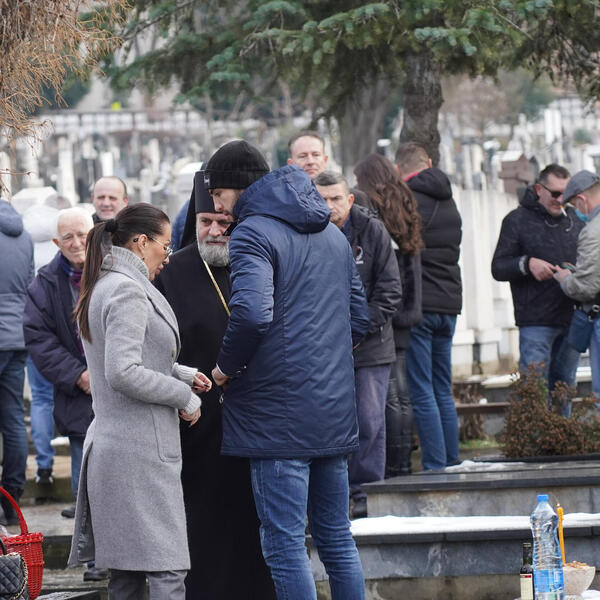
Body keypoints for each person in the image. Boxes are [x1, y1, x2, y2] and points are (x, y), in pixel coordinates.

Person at [206, 140, 369, 600]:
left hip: (275, 414)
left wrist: (223, 369)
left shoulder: (251, 233)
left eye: (218, 193)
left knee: (284, 544)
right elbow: (359, 318)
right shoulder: (332, 234)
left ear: (238, 186)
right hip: (332, 407)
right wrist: (324, 359)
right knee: (336, 538)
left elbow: (252, 314)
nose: (217, 205)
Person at [67, 204, 211, 599]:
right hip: (140, 452)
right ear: (141, 242)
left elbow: (127, 356)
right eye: (165, 246)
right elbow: (122, 371)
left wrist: (181, 373)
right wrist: (183, 396)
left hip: (117, 448)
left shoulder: (105, 283)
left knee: (127, 574)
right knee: (168, 569)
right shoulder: (128, 290)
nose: (168, 256)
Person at [155, 172, 276, 599]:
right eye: (205, 222)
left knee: (256, 525)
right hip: (198, 423)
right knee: (204, 525)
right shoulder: (173, 272)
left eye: (224, 223)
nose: (214, 231)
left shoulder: (259, 260)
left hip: (258, 418)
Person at [314, 170, 402, 518]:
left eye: (336, 198)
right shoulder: (306, 233)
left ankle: (365, 493)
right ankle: (334, 494)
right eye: (321, 199)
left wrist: (358, 329)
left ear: (349, 199)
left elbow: (390, 289)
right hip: (322, 347)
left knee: (369, 420)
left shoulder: (372, 231)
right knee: (330, 422)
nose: (329, 207)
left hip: (370, 345)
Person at [24, 208, 105, 581]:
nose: (76, 243)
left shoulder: (111, 269)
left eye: (82, 235)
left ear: (94, 233)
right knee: (83, 480)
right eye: (68, 237)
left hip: (120, 390)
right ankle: (95, 559)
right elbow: (39, 339)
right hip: (78, 397)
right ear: (57, 242)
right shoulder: (45, 283)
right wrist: (79, 376)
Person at [354, 154, 424, 477]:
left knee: (389, 397)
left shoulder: (373, 213)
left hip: (386, 314)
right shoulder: (404, 203)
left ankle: (394, 467)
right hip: (407, 307)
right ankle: (402, 463)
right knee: (402, 395)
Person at [394, 141, 462, 471]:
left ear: (398, 170)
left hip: (421, 304)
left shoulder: (406, 200)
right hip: (450, 303)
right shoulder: (449, 200)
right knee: (442, 388)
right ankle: (451, 459)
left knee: (421, 390)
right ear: (430, 163)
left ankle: (435, 466)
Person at [492, 164, 582, 402]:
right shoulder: (516, 220)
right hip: (536, 321)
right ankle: (534, 429)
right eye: (555, 193)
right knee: (533, 391)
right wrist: (527, 264)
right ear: (539, 190)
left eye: (566, 193)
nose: (561, 200)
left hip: (572, 318)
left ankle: (562, 428)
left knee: (564, 390)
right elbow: (498, 267)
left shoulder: (576, 220)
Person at [0, 197, 33, 526]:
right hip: (16, 335)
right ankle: (11, 499)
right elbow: (28, 282)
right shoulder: (22, 235)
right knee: (12, 419)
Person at [554, 171, 600, 403]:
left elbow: (586, 287)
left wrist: (565, 278)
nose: (576, 212)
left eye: (574, 206)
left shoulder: (593, 232)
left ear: (582, 199)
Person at [22, 204, 59, 486]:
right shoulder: (59, 248)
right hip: (62, 335)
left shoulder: (23, 245)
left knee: (41, 398)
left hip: (31, 331)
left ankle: (44, 466)